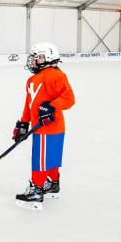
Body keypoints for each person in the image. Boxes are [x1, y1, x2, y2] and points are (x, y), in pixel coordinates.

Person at [12, 42, 75, 210]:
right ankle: (53, 184)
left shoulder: (56, 76)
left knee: (40, 161)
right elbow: (29, 104)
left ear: (46, 58)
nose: (32, 61)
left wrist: (52, 106)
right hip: (48, 127)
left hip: (47, 128)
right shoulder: (32, 80)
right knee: (50, 158)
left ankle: (37, 192)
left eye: (36, 58)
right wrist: (24, 123)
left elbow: (69, 99)